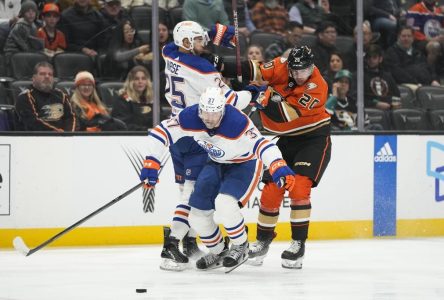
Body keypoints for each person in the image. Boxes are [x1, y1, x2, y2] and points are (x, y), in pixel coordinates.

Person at [139, 87, 297, 270]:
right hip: (215, 163)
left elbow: (262, 145)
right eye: (205, 113)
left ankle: (240, 245)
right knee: (196, 215)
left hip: (244, 164)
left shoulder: (237, 122)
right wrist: (151, 161)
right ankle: (218, 250)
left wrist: (278, 165)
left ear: (222, 110)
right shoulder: (191, 117)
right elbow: (161, 132)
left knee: (224, 204)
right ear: (200, 109)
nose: (208, 119)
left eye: (214, 114)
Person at [156, 20, 255, 271]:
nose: (204, 43)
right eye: (198, 40)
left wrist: (214, 35)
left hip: (178, 129)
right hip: (198, 133)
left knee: (186, 192)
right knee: (192, 197)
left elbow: (180, 41)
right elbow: (234, 102)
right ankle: (173, 243)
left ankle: (189, 241)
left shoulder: (168, 53)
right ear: (187, 43)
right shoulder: (203, 69)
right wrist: (251, 91)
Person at [244, 46, 332, 269]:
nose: (300, 75)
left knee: (299, 187)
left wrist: (259, 97)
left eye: (305, 70)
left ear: (312, 68)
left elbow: (282, 115)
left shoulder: (317, 87)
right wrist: (219, 63)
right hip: (287, 140)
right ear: (289, 68)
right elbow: (254, 70)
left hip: (314, 139)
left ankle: (298, 244)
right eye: (295, 71)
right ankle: (262, 241)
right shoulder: (281, 66)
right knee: (272, 188)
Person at [15, 61, 76, 131]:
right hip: (36, 138)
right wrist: (55, 132)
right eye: (42, 74)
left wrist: (69, 134)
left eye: (50, 74)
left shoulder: (61, 95)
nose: (47, 76)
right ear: (33, 78)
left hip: (63, 138)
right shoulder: (25, 97)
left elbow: (71, 117)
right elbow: (31, 122)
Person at [357, 43, 401, 111]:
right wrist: (375, 104)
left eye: (374, 57)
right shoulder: (359, 76)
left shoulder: (387, 76)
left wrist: (393, 105)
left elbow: (397, 96)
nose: (371, 60)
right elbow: (356, 98)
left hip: (388, 111)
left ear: (380, 59)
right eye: (369, 57)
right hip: (368, 111)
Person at [111, 65, 154, 131]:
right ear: (130, 81)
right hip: (131, 137)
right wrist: (147, 130)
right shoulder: (122, 101)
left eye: (143, 78)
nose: (140, 82)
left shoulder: (152, 100)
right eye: (136, 79)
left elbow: (160, 119)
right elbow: (124, 125)